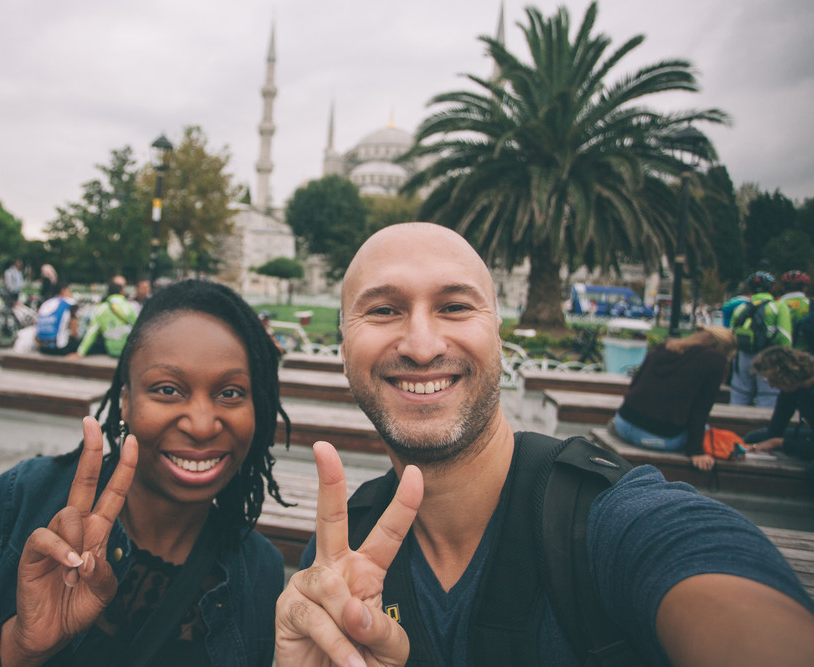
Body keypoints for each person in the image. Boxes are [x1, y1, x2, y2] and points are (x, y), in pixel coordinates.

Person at [274, 223, 814, 666]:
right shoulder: (346, 548)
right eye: (384, 309)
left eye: (456, 307)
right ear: (342, 349)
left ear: (499, 337)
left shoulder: (611, 521)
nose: (421, 345)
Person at [0, 279, 291, 666]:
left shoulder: (260, 572)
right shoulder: (24, 499)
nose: (201, 424)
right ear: (124, 401)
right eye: (167, 390)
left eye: (230, 392)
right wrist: (18, 648)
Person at [612, 326, 736, 471]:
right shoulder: (715, 361)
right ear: (724, 349)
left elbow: (635, 384)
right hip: (657, 437)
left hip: (623, 423)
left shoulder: (664, 347)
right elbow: (701, 409)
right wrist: (696, 451)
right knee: (707, 432)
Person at [744, 346, 814, 484]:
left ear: (785, 376)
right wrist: (768, 442)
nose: (771, 386)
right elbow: (779, 419)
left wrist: (779, 443)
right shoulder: (793, 387)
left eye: (773, 381)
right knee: (755, 438)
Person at [728, 270, 792, 407]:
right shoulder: (778, 306)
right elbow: (784, 337)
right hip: (769, 357)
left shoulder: (740, 307)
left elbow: (730, 335)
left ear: (750, 289)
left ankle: (735, 427)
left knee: (740, 396)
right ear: (771, 288)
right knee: (768, 398)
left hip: (743, 357)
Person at [69, 276, 137, 358]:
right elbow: (138, 328)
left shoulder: (101, 308)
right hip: (127, 352)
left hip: (111, 351)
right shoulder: (129, 307)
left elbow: (91, 332)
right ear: (122, 292)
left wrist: (80, 353)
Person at [35, 281, 81, 355]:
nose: (71, 294)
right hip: (59, 348)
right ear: (63, 291)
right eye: (70, 291)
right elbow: (74, 332)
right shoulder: (69, 302)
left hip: (42, 348)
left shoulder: (45, 303)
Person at [778, 270, 811, 350]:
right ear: (805, 288)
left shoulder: (775, 305)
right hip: (807, 353)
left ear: (783, 287)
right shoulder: (810, 304)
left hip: (781, 353)